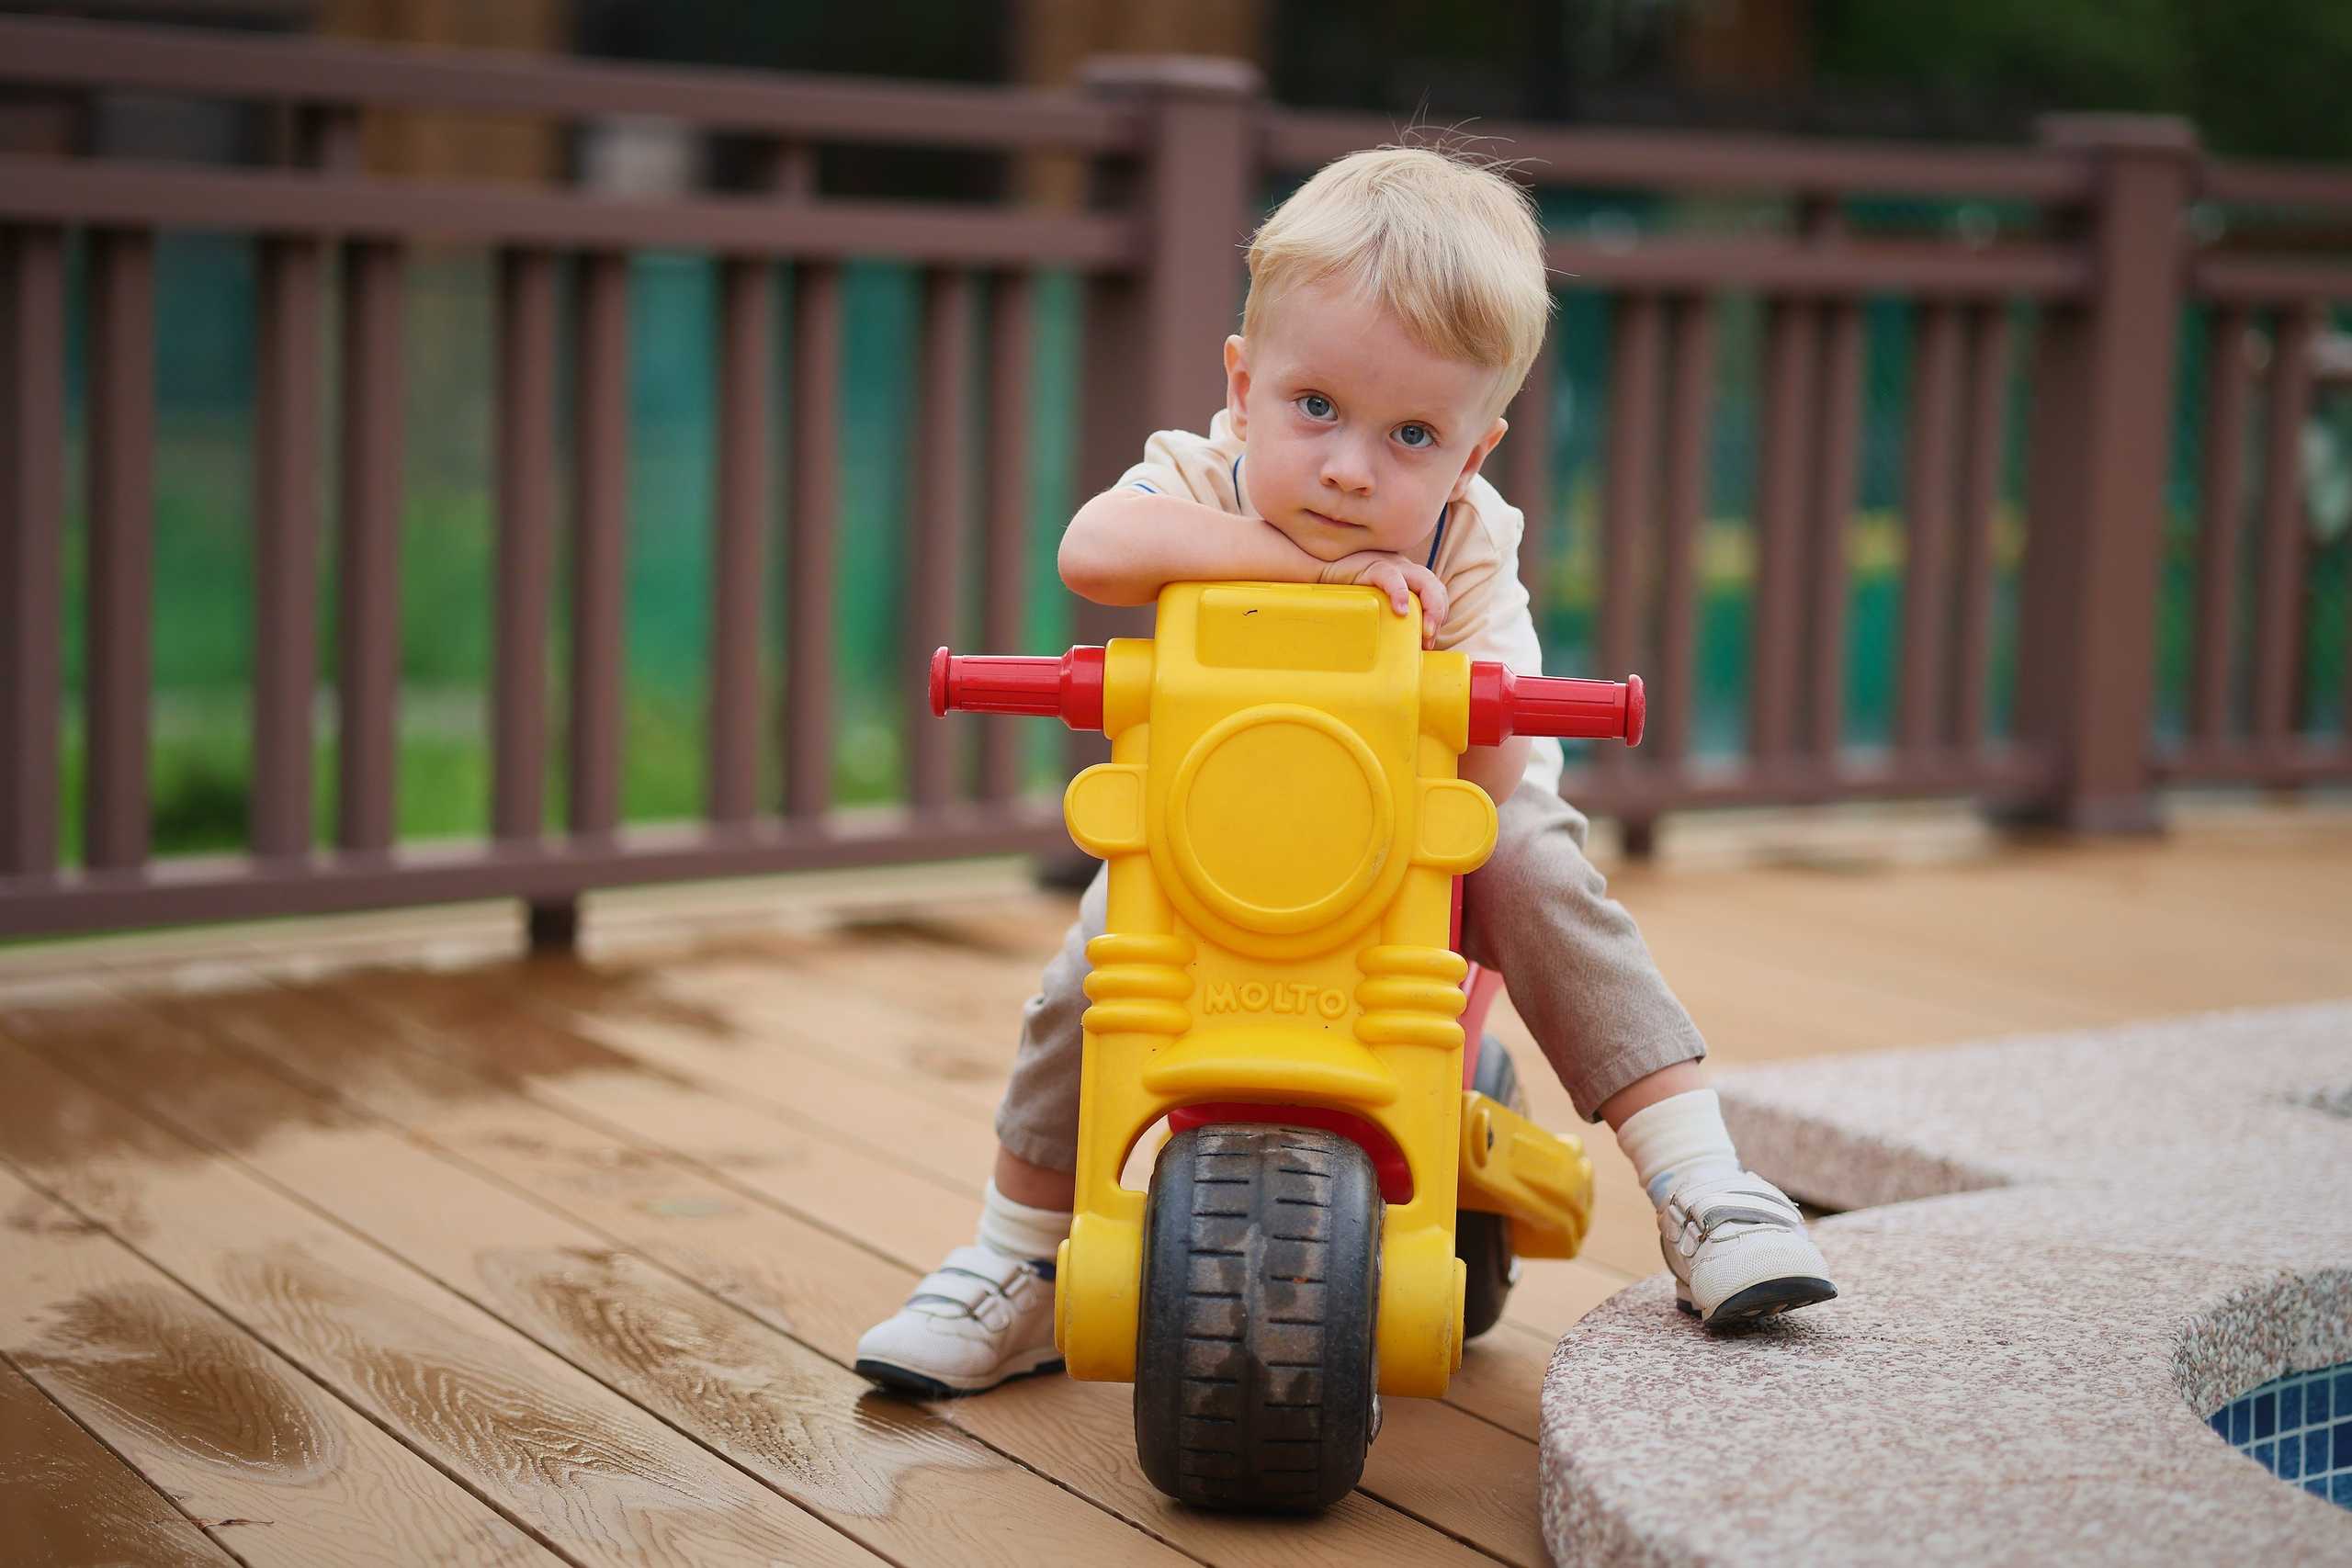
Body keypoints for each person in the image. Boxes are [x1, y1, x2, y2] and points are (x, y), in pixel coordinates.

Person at [855, 145, 1836, 1397]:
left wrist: (1428, 647)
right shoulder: (1205, 475)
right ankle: (1021, 1261)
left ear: (1473, 456)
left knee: (1534, 861)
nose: (1351, 469)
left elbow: (1496, 758)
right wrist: (1302, 573)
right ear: (1245, 382)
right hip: (1213, 844)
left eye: (1412, 434)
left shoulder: (1469, 547)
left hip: (1419, 843)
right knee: (1093, 972)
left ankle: (1701, 1181)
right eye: (1315, 407)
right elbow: (1095, 549)